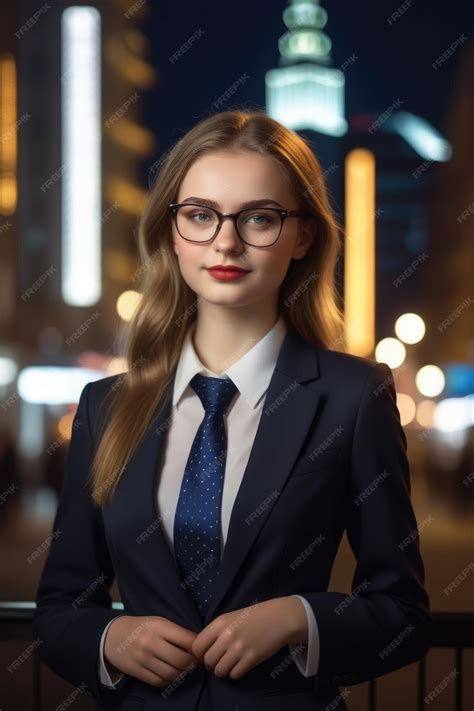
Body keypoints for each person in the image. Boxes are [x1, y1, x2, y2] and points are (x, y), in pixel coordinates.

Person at [32, 108, 431, 711]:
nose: (225, 241)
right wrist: (111, 636)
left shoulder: (354, 397)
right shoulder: (105, 406)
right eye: (200, 215)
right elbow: (61, 608)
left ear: (303, 236)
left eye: (260, 219)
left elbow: (402, 613)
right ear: (171, 231)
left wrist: (300, 619)